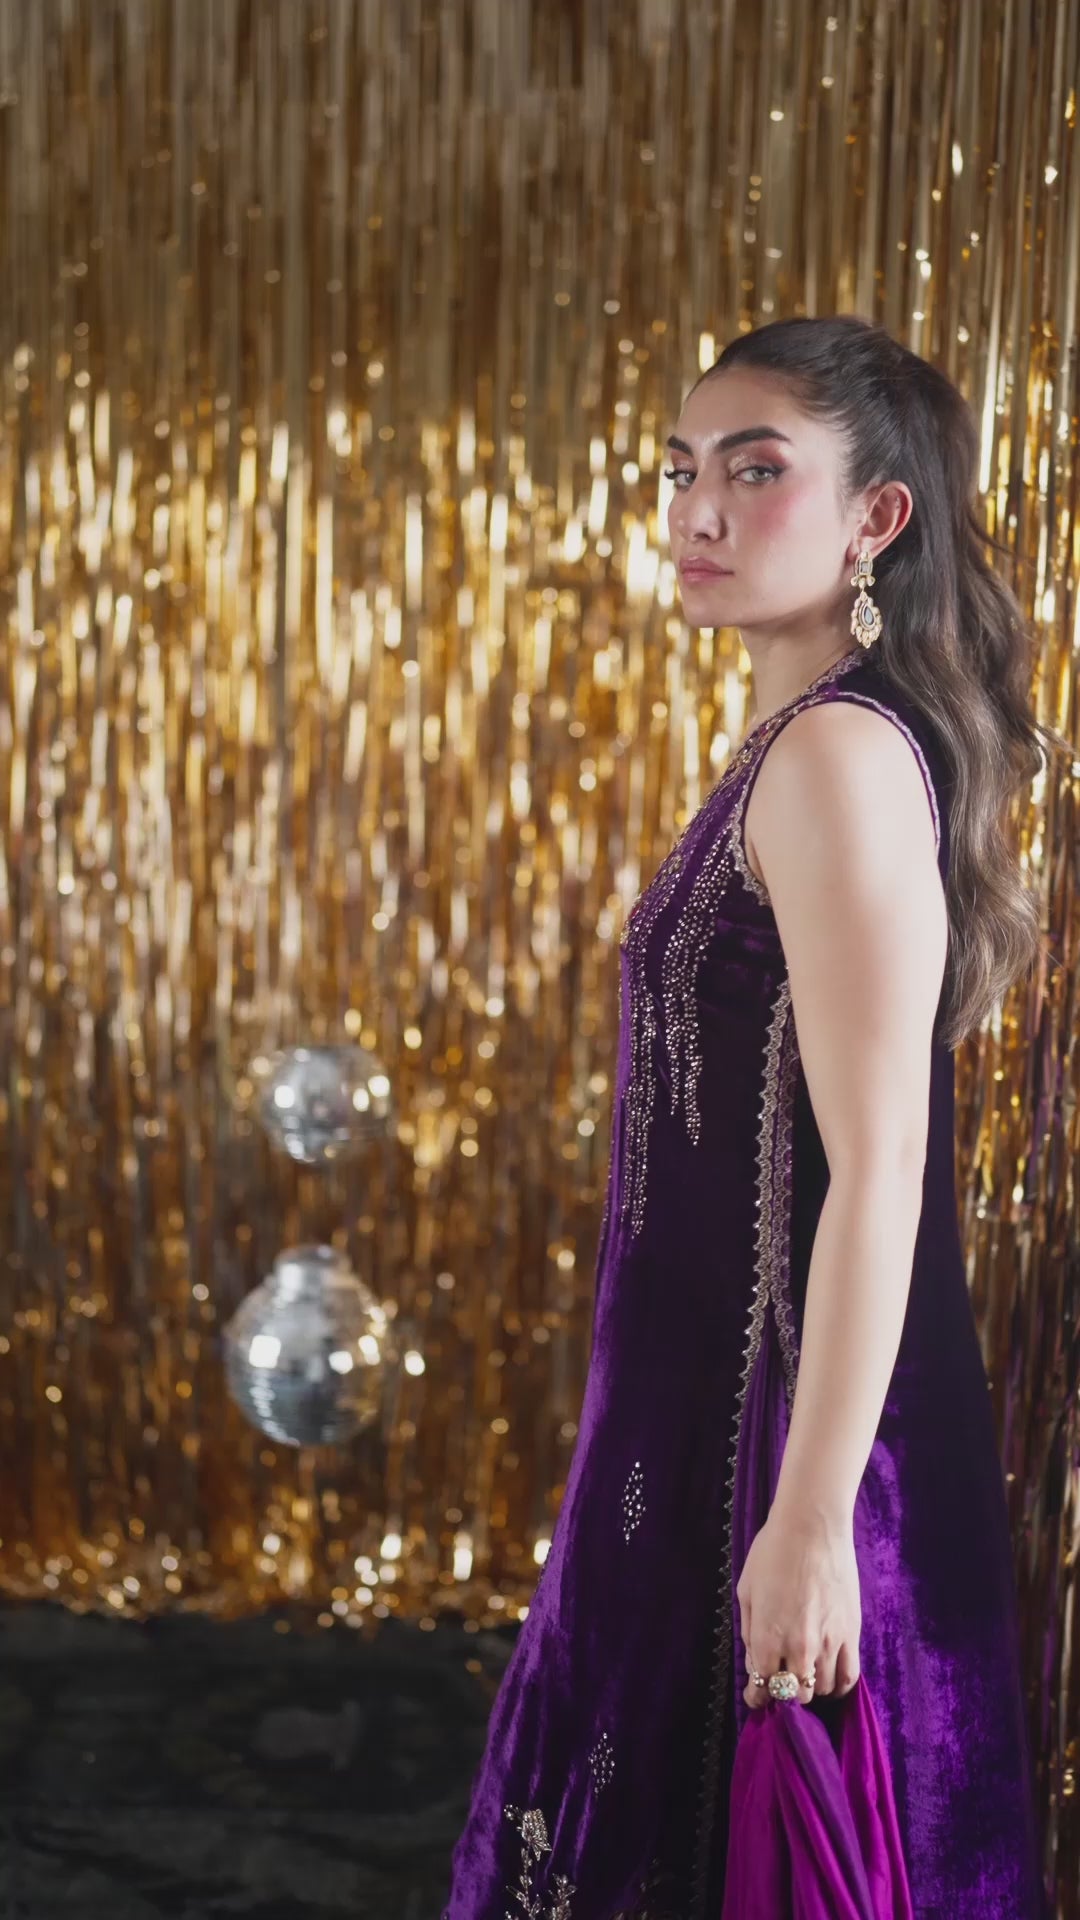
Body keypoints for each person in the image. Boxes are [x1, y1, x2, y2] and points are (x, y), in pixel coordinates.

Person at [441, 315, 1054, 1919]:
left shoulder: (839, 755)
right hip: (692, 1399)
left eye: (756, 470)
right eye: (680, 471)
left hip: (770, 1422)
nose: (696, 511)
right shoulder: (797, 744)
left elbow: (884, 1165)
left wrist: (812, 1520)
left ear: (876, 519)